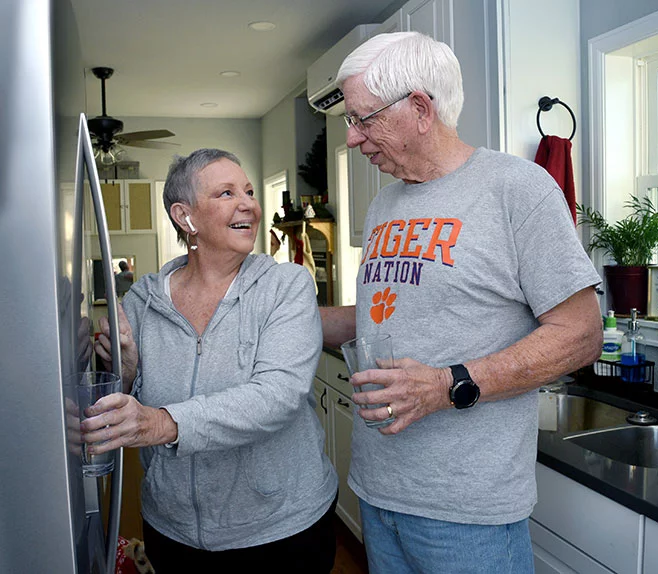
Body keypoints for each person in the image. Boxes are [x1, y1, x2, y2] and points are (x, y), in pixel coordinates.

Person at [319, 32, 603, 573]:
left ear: (421, 109)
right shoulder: (383, 202)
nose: (353, 138)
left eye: (364, 119)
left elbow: (582, 333)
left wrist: (448, 385)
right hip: (379, 491)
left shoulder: (518, 189)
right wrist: (286, 318)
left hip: (467, 513)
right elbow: (392, 314)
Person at [88, 148, 338, 572]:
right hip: (173, 528)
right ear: (186, 218)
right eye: (226, 193)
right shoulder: (142, 301)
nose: (249, 205)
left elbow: (278, 396)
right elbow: (122, 396)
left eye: (249, 191)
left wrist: (162, 423)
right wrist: (126, 366)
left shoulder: (285, 286)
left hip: (281, 530)